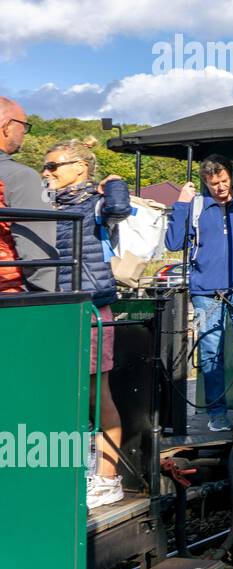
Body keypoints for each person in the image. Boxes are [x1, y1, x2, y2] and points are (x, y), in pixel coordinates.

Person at [41, 138, 132, 510]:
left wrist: (113, 181)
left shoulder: (96, 204)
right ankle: (74, 469)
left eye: (53, 166)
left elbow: (120, 207)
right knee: (65, 392)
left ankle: (108, 479)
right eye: (46, 167)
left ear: (80, 167)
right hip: (59, 307)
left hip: (93, 307)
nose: (46, 172)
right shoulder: (49, 205)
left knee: (97, 392)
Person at [165, 154, 233, 431]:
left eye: (223, 181)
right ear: (205, 183)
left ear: (231, 176)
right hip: (205, 292)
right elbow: (173, 242)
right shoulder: (196, 205)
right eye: (214, 184)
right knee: (211, 353)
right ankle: (216, 415)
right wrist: (181, 205)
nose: (220, 187)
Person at [0, 96, 56, 290]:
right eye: (24, 125)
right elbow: (38, 254)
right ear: (7, 126)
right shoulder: (21, 176)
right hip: (9, 297)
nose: (24, 132)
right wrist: (46, 298)